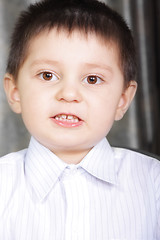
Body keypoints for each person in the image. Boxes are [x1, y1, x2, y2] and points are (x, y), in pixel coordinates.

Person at [0, 0, 159, 239]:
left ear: (122, 100)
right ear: (15, 92)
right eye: (47, 75)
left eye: (92, 79)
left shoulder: (153, 184)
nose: (69, 94)